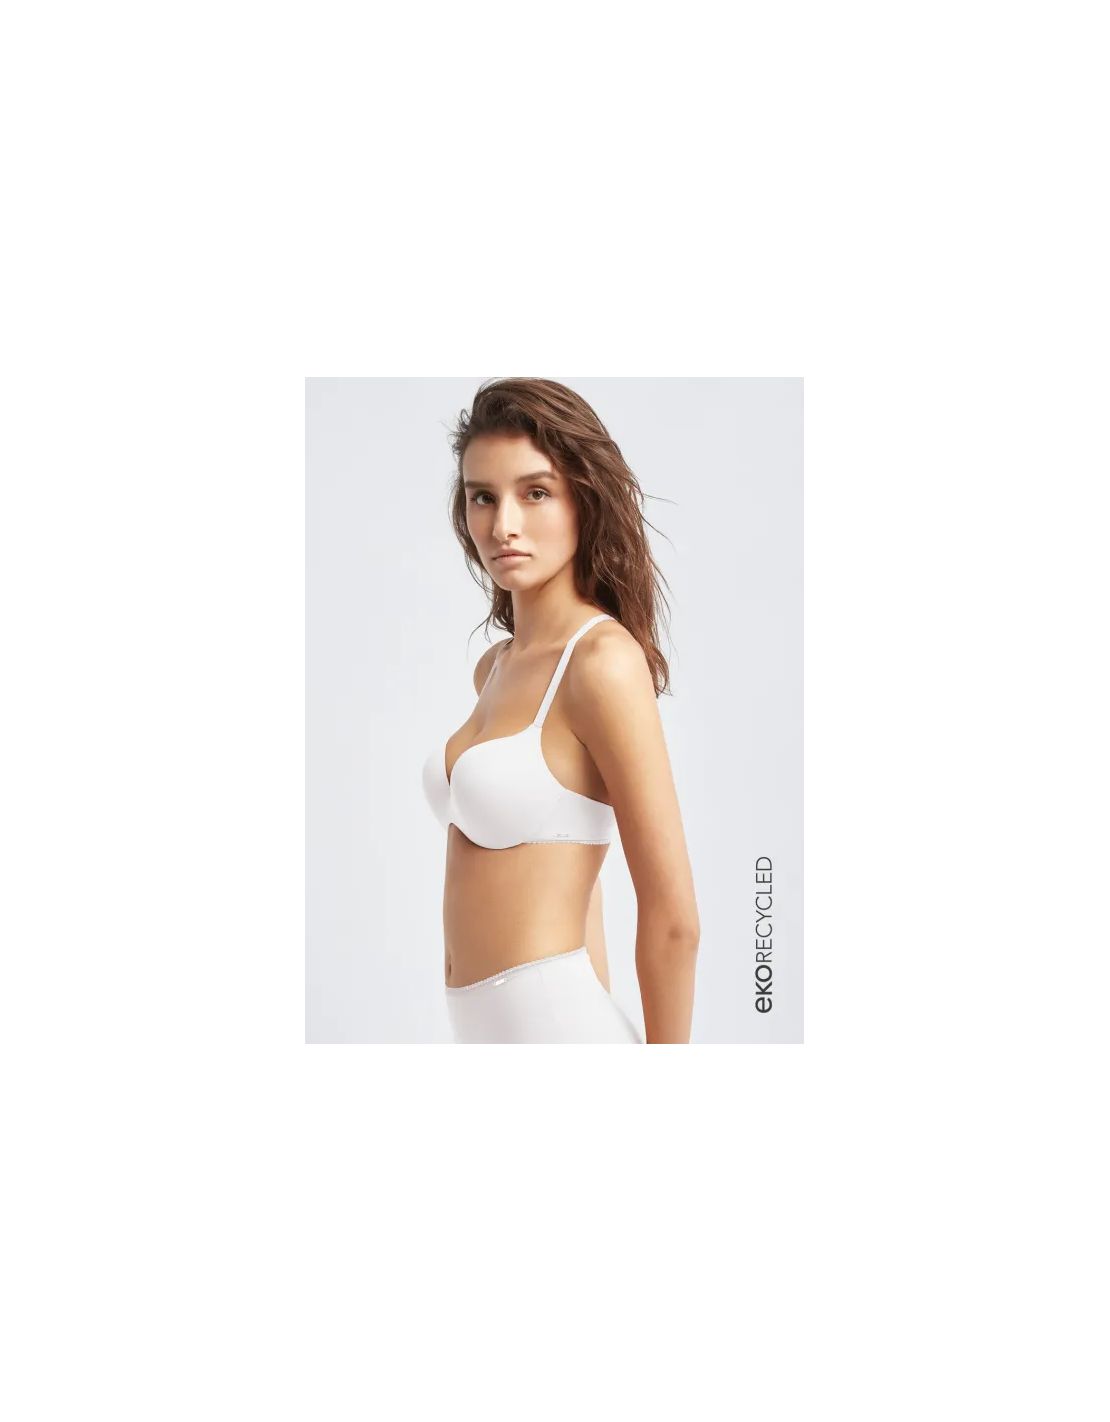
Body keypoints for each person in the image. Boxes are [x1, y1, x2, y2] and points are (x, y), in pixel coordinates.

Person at [422, 378, 700, 1043]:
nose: (503, 525)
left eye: (535, 493)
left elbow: (674, 919)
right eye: (482, 497)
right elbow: (580, 871)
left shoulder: (601, 662)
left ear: (584, 498)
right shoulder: (495, 667)